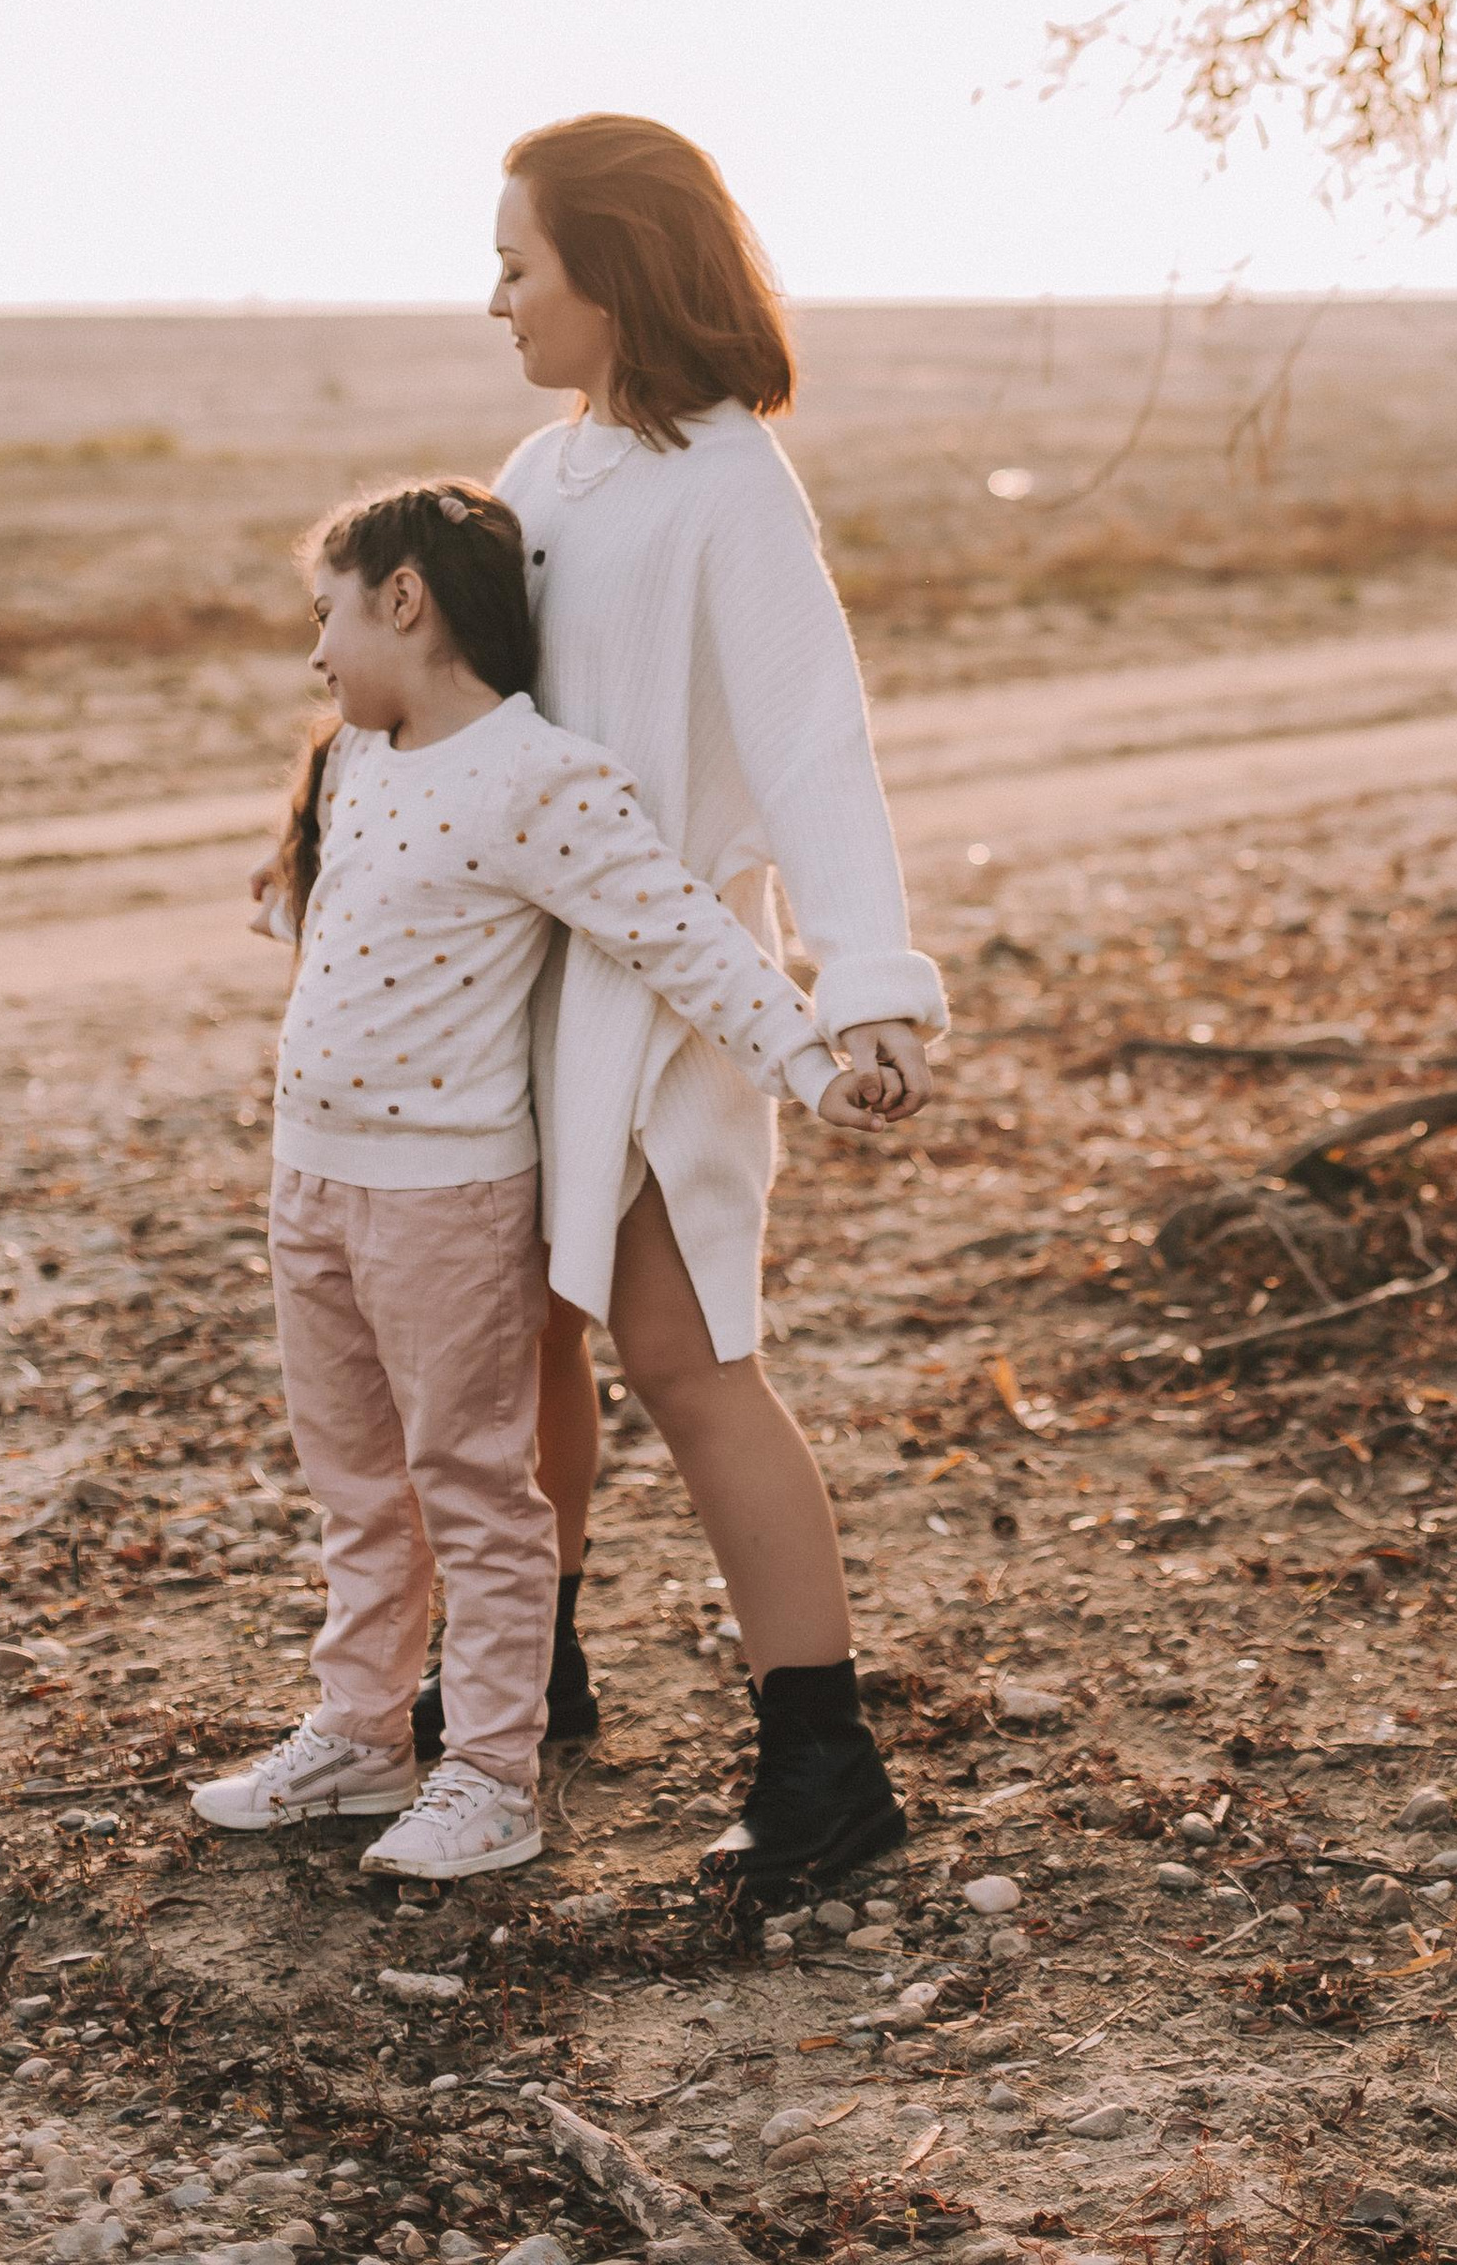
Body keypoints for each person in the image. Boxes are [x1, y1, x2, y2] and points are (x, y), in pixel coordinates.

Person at [196, 477, 895, 1884]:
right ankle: (360, 1732)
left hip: (444, 1201)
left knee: (469, 1484)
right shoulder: (353, 760)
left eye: (325, 614)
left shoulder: (538, 780)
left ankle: (493, 1773)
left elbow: (680, 935)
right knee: (353, 1482)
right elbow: (348, 916)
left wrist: (813, 1060)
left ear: (406, 600)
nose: (313, 654)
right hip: (313, 1182)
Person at [458, 109, 949, 1911]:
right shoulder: (538, 470)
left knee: (681, 1353)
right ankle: (531, 1666)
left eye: (521, 264)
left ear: (620, 270)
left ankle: (825, 1758)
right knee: (524, 1338)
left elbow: (817, 742)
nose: (495, 297)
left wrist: (867, 980)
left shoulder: (732, 478)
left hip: (668, 993)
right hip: (515, 988)